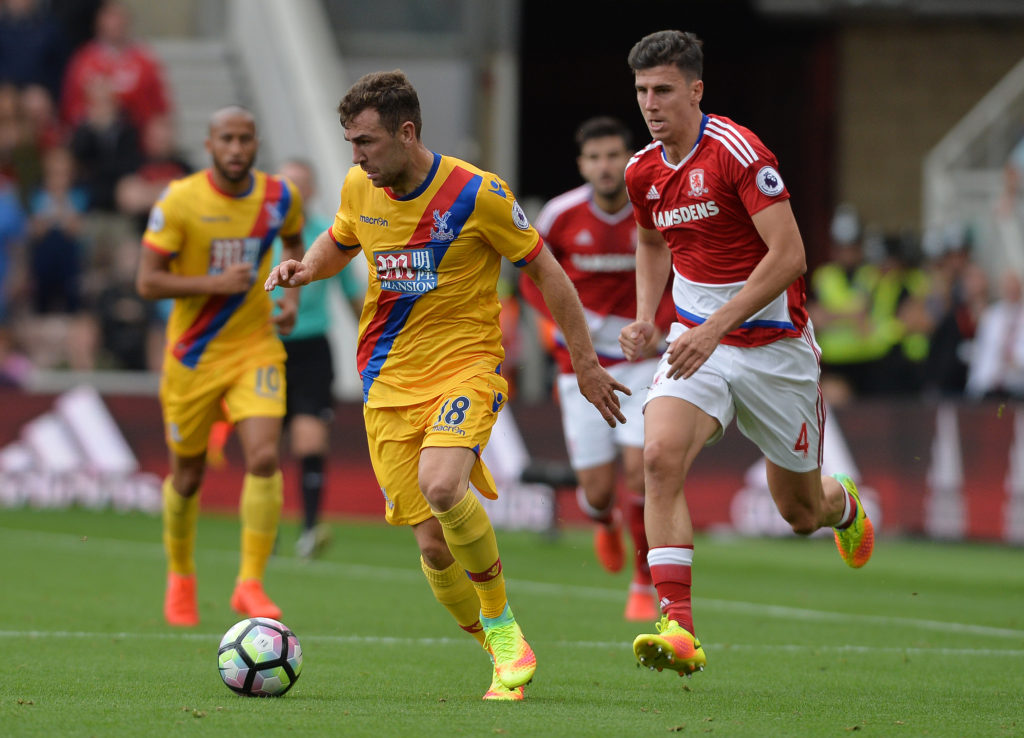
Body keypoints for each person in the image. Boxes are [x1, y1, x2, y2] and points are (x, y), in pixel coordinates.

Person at [265, 70, 628, 701]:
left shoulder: (477, 193)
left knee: (442, 484)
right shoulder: (360, 184)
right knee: (433, 549)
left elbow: (547, 272)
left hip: (466, 367)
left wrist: (586, 362)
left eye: (367, 142)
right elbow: (340, 238)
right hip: (386, 382)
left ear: (407, 133)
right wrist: (305, 270)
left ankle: (502, 622)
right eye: (351, 142)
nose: (356, 156)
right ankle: (498, 651)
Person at [617, 30, 874, 678]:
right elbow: (651, 244)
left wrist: (716, 326)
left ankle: (840, 503)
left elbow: (790, 256)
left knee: (797, 513)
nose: (651, 102)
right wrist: (651, 317)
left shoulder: (737, 151)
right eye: (643, 90)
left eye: (664, 90)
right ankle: (678, 626)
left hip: (775, 352)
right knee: (657, 456)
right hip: (696, 341)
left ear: (696, 90)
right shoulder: (642, 170)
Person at [136, 105, 305, 628]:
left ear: (256, 144)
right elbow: (147, 282)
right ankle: (180, 575)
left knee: (262, 456)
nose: (236, 148)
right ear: (209, 145)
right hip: (193, 355)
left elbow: (296, 241)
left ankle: (249, 583)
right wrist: (213, 284)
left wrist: (293, 297)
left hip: (255, 346)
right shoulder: (180, 201)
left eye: (245, 139)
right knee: (186, 475)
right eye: (227, 139)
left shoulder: (280, 197)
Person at [519, 116, 673, 622]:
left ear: (627, 159)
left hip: (644, 360)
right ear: (582, 164)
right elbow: (529, 277)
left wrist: (657, 325)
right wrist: (550, 325)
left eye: (613, 156)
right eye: (594, 158)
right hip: (580, 365)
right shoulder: (561, 215)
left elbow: (685, 270)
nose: (605, 167)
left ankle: (641, 583)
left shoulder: (652, 208)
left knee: (642, 468)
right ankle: (604, 520)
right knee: (598, 490)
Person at [272, 156, 362, 559]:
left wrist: (380, 339)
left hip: (311, 350)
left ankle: (309, 529)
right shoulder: (258, 236)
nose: (295, 192)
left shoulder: (325, 237)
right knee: (264, 447)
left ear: (311, 191)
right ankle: (264, 530)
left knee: (311, 442)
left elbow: (352, 296)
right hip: (265, 349)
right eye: (287, 184)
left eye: (301, 184)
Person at [60, 0, 172, 133]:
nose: (116, 23)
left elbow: (158, 107)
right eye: (110, 16)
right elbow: (70, 106)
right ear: (99, 21)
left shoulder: (144, 62)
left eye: (120, 17)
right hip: (91, 138)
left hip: (136, 138)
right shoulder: (84, 60)